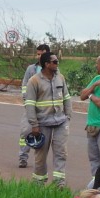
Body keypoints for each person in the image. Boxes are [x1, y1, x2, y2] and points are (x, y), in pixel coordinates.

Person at [24, 51, 71, 186]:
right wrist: (34, 125)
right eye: (55, 62)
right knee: (40, 156)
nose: (57, 64)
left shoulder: (60, 78)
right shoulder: (34, 81)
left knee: (61, 153)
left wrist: (68, 117)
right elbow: (29, 104)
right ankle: (38, 184)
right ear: (46, 64)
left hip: (60, 122)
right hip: (42, 124)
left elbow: (66, 97)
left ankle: (59, 184)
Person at [18, 44, 51, 168]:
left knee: (45, 135)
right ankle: (22, 157)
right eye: (37, 54)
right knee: (25, 132)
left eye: (41, 54)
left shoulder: (54, 70)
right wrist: (27, 102)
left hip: (45, 109)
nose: (39, 56)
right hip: (30, 107)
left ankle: (40, 162)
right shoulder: (31, 69)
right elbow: (25, 86)